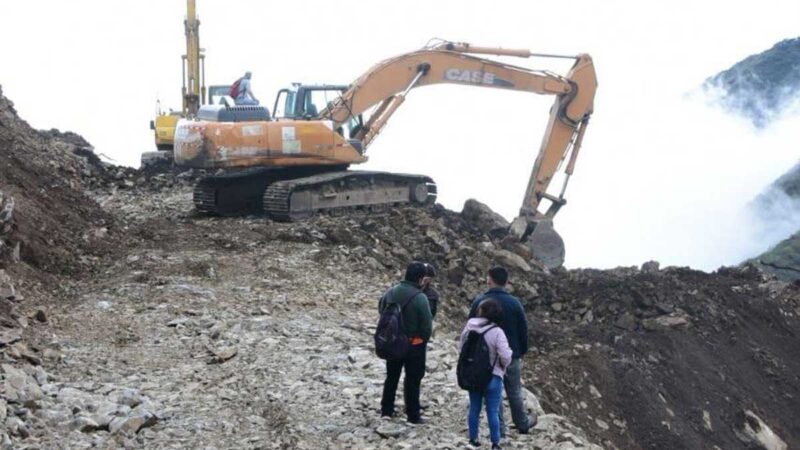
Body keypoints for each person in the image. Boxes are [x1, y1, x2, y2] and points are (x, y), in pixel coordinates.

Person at [469, 266, 535, 435]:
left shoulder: (480, 302)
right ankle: (522, 424)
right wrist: (521, 350)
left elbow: (471, 328)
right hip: (511, 354)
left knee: (493, 392)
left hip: (486, 357)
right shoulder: (514, 303)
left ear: (489, 280)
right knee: (514, 391)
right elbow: (523, 330)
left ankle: (500, 429)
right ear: (506, 282)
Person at [378, 261, 433, 424]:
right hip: (413, 344)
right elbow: (427, 326)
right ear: (420, 278)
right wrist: (421, 339)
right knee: (413, 379)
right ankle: (413, 414)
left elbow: (381, 309)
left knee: (392, 376)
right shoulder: (420, 297)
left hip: (393, 341)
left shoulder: (391, 291)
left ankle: (386, 410)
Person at [460, 298, 513, 449]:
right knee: (493, 411)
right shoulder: (497, 332)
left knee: (474, 408)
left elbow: (462, 347)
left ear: (481, 312)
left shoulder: (470, 326)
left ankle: (473, 439)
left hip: (473, 375)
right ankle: (495, 443)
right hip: (493, 376)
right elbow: (506, 355)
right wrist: (502, 367)